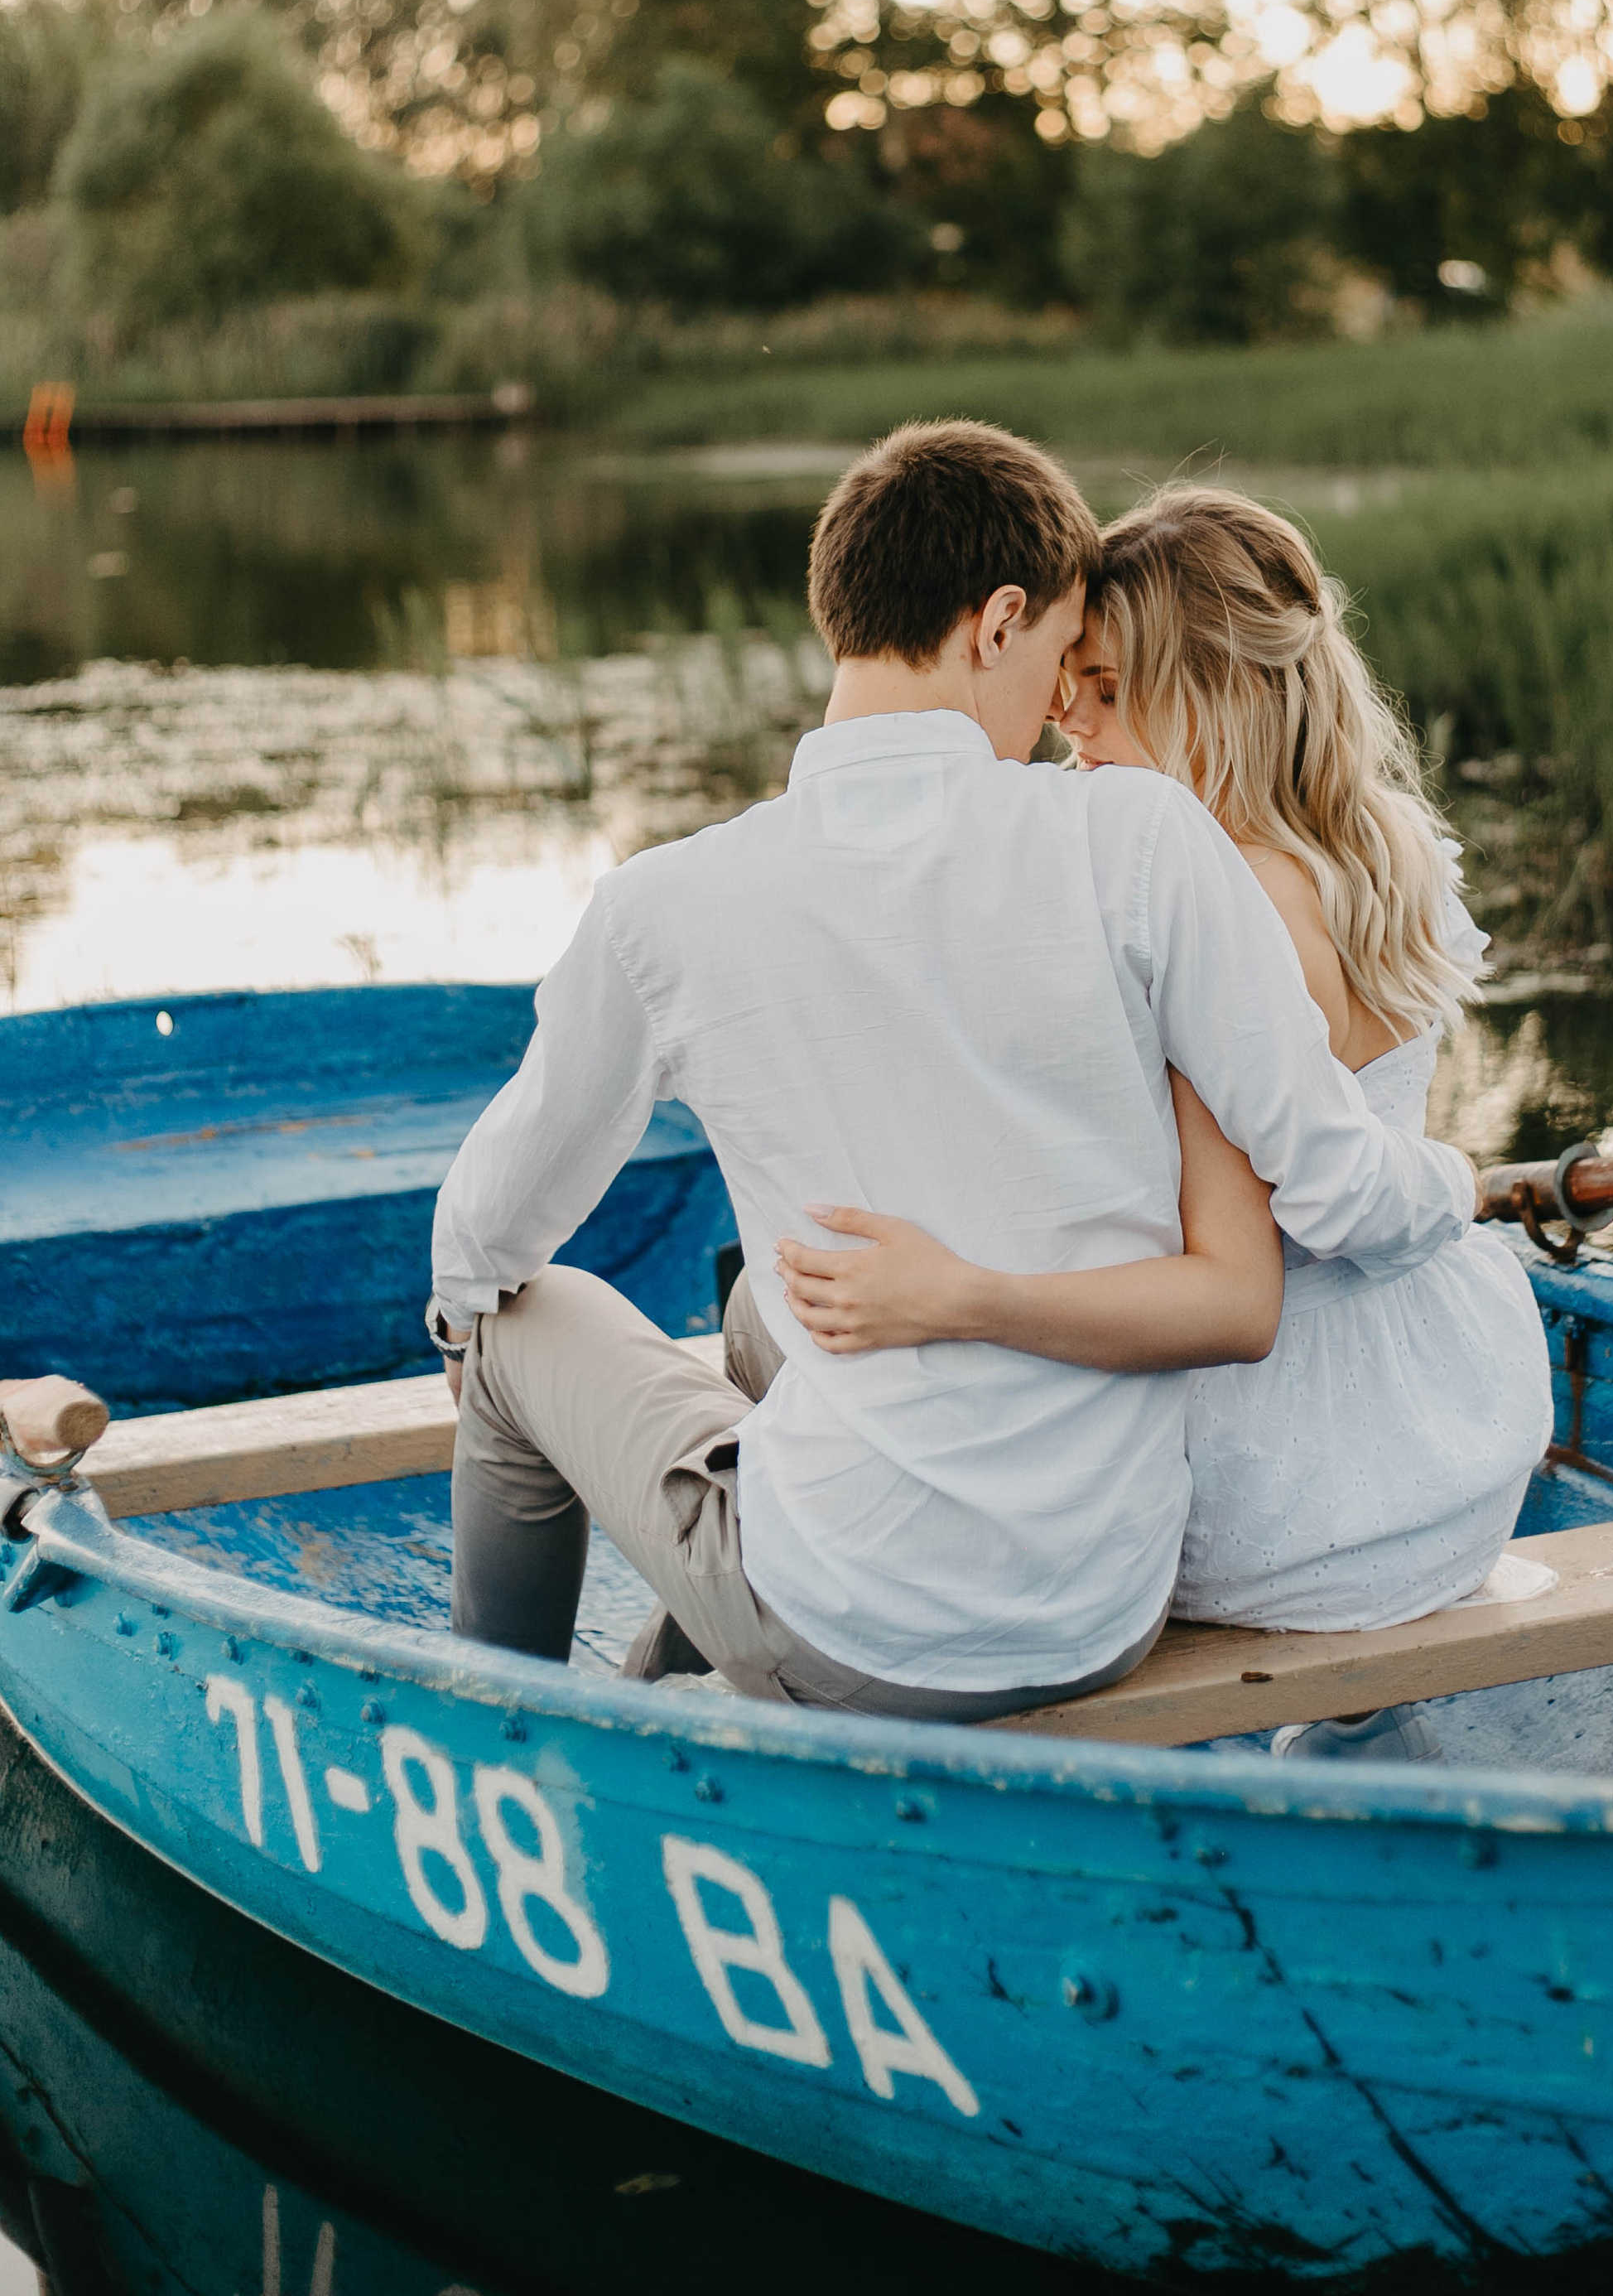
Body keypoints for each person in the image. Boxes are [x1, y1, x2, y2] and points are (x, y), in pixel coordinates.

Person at [427, 425, 1477, 1722]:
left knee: (511, 1313)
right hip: (1108, 1607)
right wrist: (1455, 1182)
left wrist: (458, 1318)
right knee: (767, 1308)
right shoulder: (1143, 840)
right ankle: (677, 1660)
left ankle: (492, 1727)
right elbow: (1343, 1190)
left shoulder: (663, 906)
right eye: (1057, 659)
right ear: (997, 625)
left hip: (856, 1631)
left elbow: (485, 1231)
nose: (1056, 712)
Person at [777, 485, 1553, 1667]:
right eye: (1068, 682)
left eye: (1108, 689)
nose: (1065, 722)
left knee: (798, 1331)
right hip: (1450, 1460)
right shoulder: (1382, 843)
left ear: (1219, 693)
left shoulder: (1222, 917)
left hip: (1279, 1507)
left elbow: (1241, 1261)